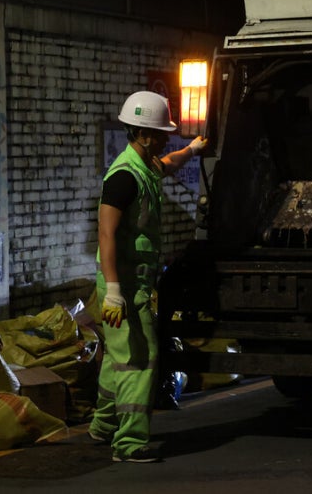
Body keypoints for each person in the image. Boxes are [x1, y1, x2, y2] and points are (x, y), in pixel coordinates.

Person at [88, 90, 207, 463]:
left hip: (133, 284)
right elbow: (106, 234)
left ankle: (103, 426)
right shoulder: (123, 177)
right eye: (160, 134)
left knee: (119, 357)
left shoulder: (143, 166)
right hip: (123, 286)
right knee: (141, 358)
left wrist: (192, 150)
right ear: (143, 134)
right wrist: (113, 291)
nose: (164, 140)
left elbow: (167, 164)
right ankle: (129, 443)